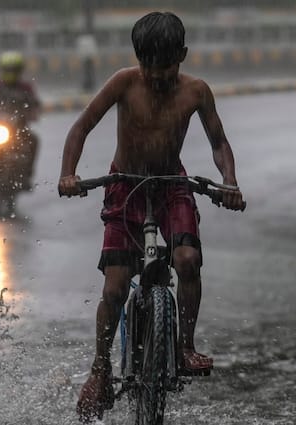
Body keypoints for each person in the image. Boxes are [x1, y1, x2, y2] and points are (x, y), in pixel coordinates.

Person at [57, 11, 246, 422]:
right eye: (149, 66)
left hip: (171, 185)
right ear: (137, 58)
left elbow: (219, 141)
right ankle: (101, 369)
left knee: (187, 260)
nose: (157, 76)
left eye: (167, 66)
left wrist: (229, 181)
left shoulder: (196, 91)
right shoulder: (124, 82)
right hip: (124, 186)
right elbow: (81, 128)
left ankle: (185, 345)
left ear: (182, 55)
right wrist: (68, 174)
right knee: (115, 287)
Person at [0, 50, 41, 191]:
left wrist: (32, 113)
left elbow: (35, 104)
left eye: (14, 69)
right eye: (8, 69)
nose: (11, 72)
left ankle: (27, 176)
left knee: (34, 140)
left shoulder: (26, 88)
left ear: (19, 70)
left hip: (19, 129)